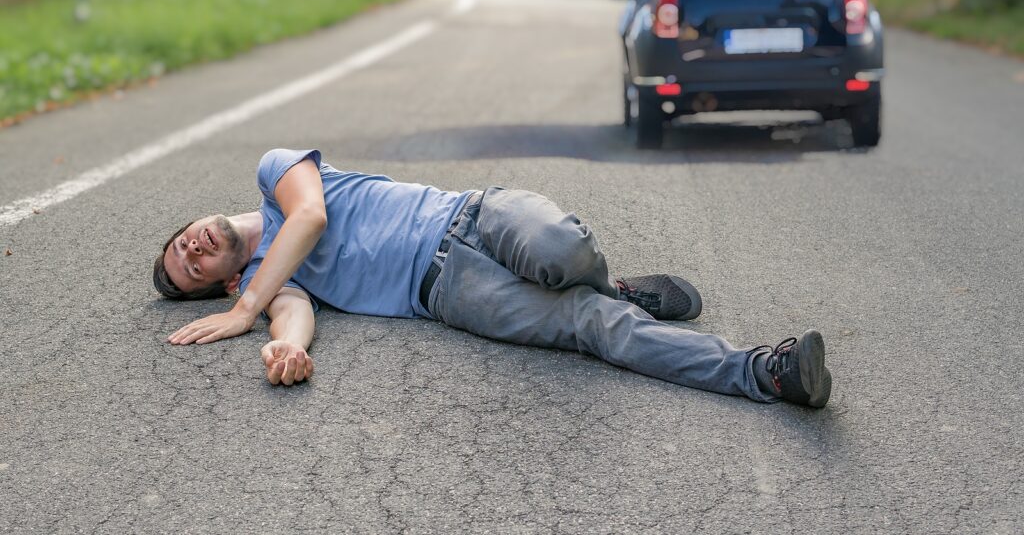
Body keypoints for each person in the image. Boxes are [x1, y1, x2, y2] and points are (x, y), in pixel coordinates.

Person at [155, 148, 832, 407]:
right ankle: (765, 372)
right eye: (191, 267)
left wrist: (246, 308)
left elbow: (309, 217)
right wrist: (286, 346)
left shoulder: (277, 174)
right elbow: (293, 314)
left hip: (474, 215)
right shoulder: (274, 285)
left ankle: (608, 281)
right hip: (450, 294)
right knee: (593, 328)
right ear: (216, 281)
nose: (191, 247)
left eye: (181, 242)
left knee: (561, 252)